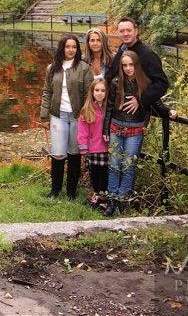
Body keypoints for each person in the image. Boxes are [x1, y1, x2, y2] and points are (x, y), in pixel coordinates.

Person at [102, 50, 177, 216]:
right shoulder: (116, 82)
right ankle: (111, 201)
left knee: (128, 166)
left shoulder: (145, 84)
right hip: (116, 128)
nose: (128, 68)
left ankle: (121, 202)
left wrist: (168, 111)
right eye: (125, 65)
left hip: (135, 130)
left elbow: (156, 103)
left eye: (131, 65)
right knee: (114, 165)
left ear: (137, 65)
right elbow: (109, 106)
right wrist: (105, 128)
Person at [40, 34, 94, 200]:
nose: (71, 50)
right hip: (58, 115)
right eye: (68, 46)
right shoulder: (52, 68)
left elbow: (88, 94)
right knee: (57, 153)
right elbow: (47, 92)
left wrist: (86, 114)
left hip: (78, 116)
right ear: (62, 48)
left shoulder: (84, 68)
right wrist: (44, 116)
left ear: (77, 49)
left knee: (74, 153)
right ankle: (55, 190)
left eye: (74, 47)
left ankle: (71, 192)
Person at [76, 76, 110, 207]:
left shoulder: (109, 109)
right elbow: (82, 131)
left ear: (107, 92)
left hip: (107, 148)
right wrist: (83, 148)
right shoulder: (87, 110)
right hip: (93, 147)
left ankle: (104, 197)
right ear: (92, 92)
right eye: (97, 90)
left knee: (105, 173)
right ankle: (96, 194)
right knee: (95, 172)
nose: (100, 93)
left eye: (103, 90)